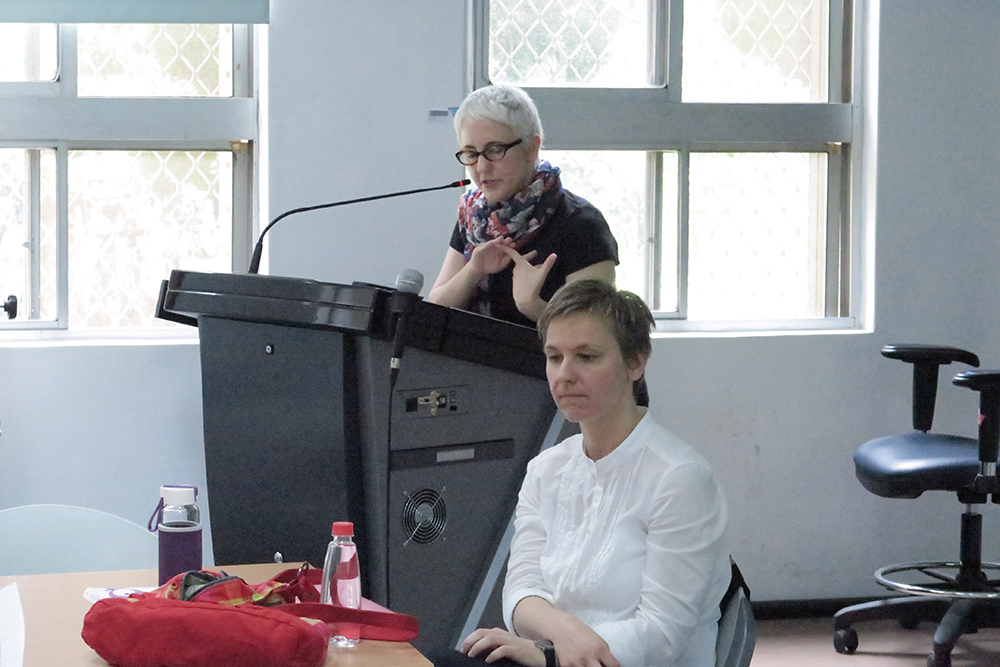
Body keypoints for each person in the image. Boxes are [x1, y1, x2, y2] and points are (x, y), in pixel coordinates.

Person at [458, 280, 730, 667]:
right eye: (554, 357)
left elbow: (662, 636)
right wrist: (563, 634)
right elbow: (520, 592)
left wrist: (549, 653)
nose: (564, 374)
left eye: (586, 357)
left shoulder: (680, 478)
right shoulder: (546, 469)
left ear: (635, 363)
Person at [427, 85, 618, 328]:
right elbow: (435, 309)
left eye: (495, 150)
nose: (482, 167)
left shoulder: (581, 224)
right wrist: (473, 270)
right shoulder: (475, 216)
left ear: (532, 147)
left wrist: (533, 306)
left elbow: (596, 334)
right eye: (472, 153)